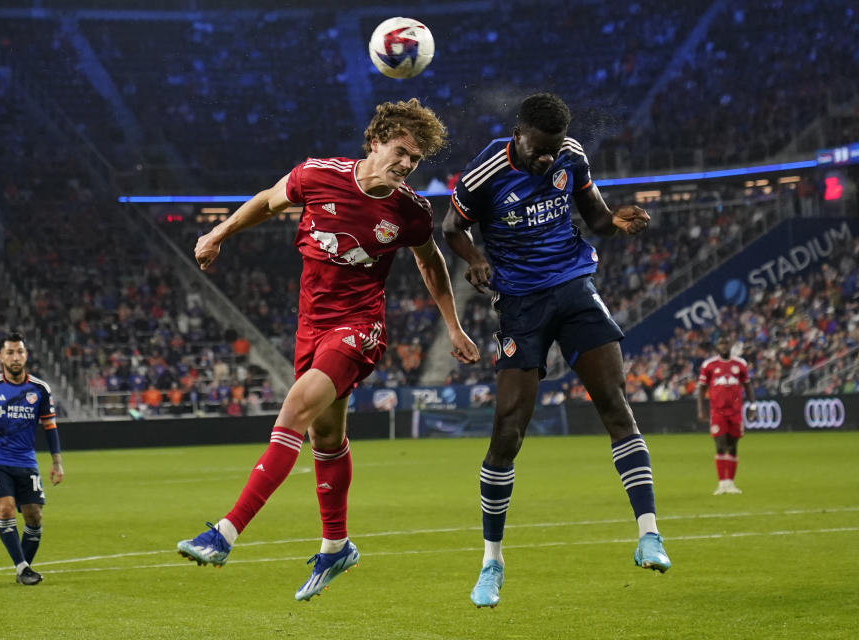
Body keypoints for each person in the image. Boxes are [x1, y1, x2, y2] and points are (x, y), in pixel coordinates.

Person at [177, 98, 480, 601]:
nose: (406, 165)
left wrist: (453, 326)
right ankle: (336, 546)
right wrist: (219, 233)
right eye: (401, 151)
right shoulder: (317, 175)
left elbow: (430, 263)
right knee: (325, 435)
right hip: (310, 327)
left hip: (359, 327)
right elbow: (268, 200)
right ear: (376, 141)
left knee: (295, 407)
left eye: (415, 160)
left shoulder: (411, 210)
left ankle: (225, 534)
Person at [443, 92, 671, 608]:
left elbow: (594, 217)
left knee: (615, 403)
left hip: (573, 285)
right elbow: (451, 227)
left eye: (553, 150)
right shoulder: (485, 172)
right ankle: (491, 563)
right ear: (518, 133)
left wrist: (617, 220)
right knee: (507, 429)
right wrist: (476, 258)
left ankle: (649, 534)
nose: (548, 158)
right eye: (539, 149)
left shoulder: (570, 153)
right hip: (521, 304)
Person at [0, 332, 64, 586]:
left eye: (19, 352)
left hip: (26, 462)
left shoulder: (40, 389)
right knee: (6, 509)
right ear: (1, 357)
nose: (15, 357)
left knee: (34, 516)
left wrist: (57, 463)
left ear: (26, 355)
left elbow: (50, 427)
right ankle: (23, 567)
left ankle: (23, 570)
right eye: (10, 352)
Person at [697, 335, 756, 495]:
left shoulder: (740, 364)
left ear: (730, 345)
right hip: (718, 412)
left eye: (726, 343)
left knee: (733, 445)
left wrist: (753, 404)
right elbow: (701, 389)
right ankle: (722, 483)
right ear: (717, 347)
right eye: (721, 343)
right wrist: (701, 410)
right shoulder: (709, 365)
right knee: (721, 444)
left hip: (735, 412)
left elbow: (748, 385)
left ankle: (730, 483)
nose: (723, 346)